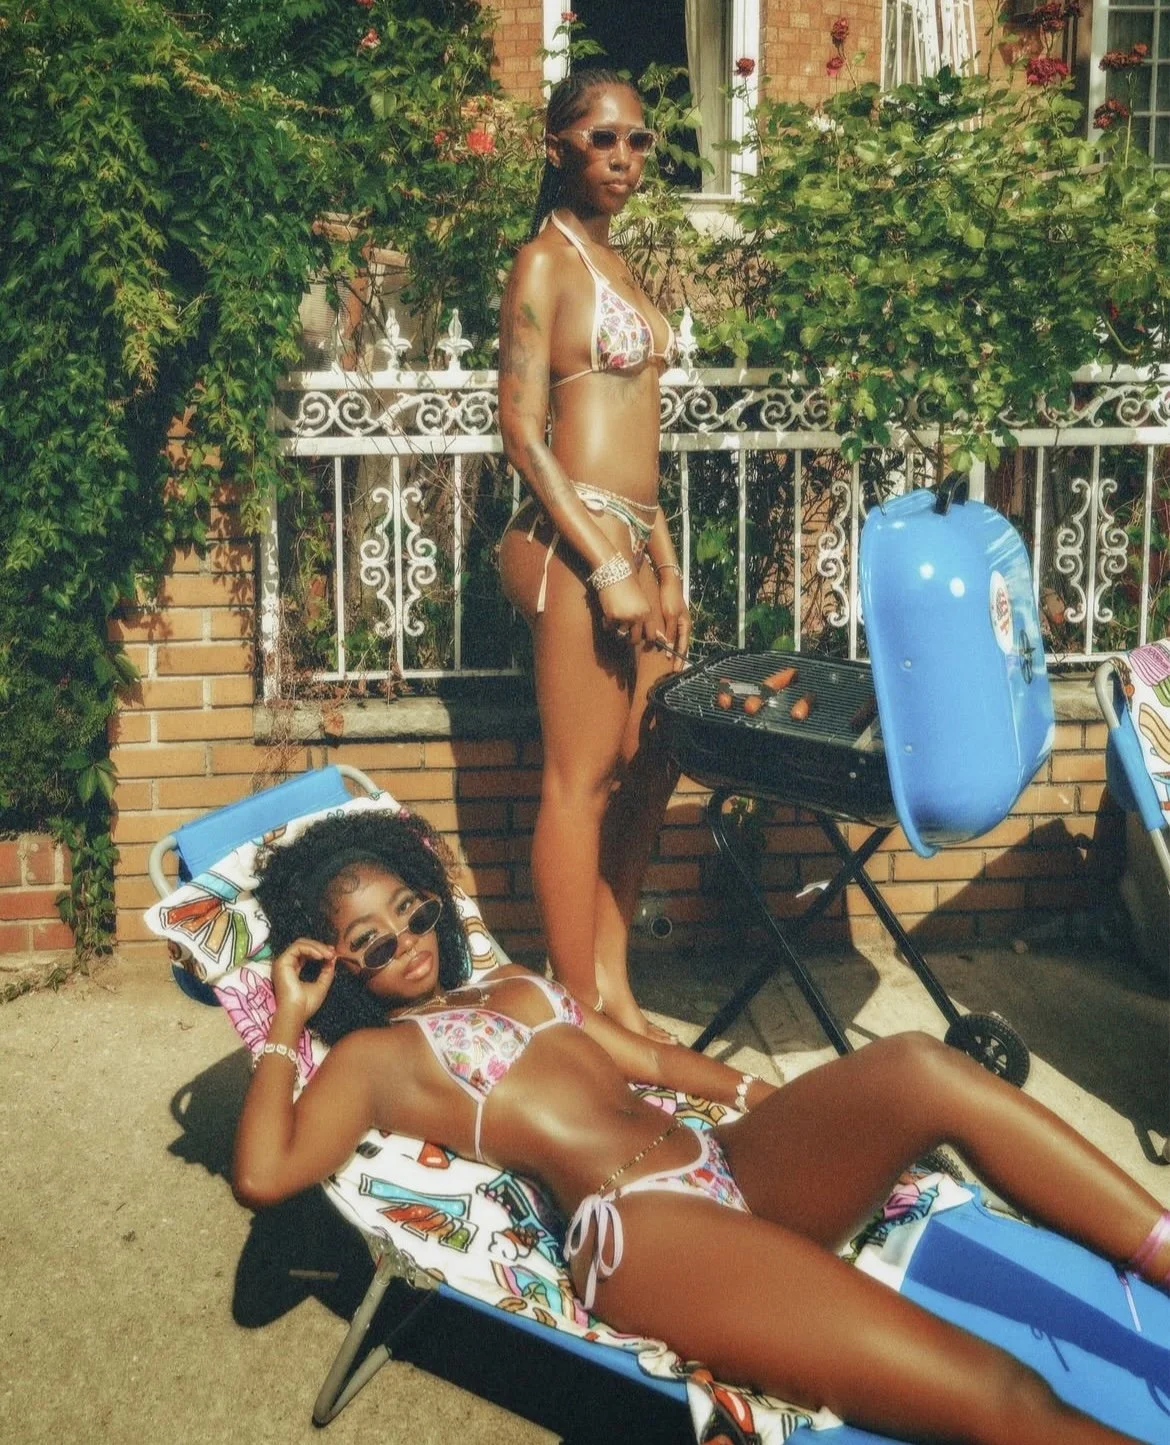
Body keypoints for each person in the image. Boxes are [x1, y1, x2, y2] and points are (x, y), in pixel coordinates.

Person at [236, 806, 1169, 1445]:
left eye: (411, 911)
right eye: (371, 941)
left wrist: (759, 1094)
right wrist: (288, 1017)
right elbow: (265, 1174)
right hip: (644, 1231)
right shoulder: (374, 1060)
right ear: (338, 964)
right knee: (998, 1391)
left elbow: (644, 1058)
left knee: (921, 1064)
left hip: (724, 1162)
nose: (406, 941)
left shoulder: (509, 980)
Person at [496, 68, 690, 1037]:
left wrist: (665, 562)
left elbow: (641, 438)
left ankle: (613, 984)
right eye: (602, 138)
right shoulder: (544, 262)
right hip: (570, 546)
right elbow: (521, 432)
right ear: (557, 148)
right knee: (579, 780)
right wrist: (607, 565)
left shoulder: (621, 266)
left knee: (647, 767)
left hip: (635, 540)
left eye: (638, 140)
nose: (623, 157)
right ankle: (577, 1014)